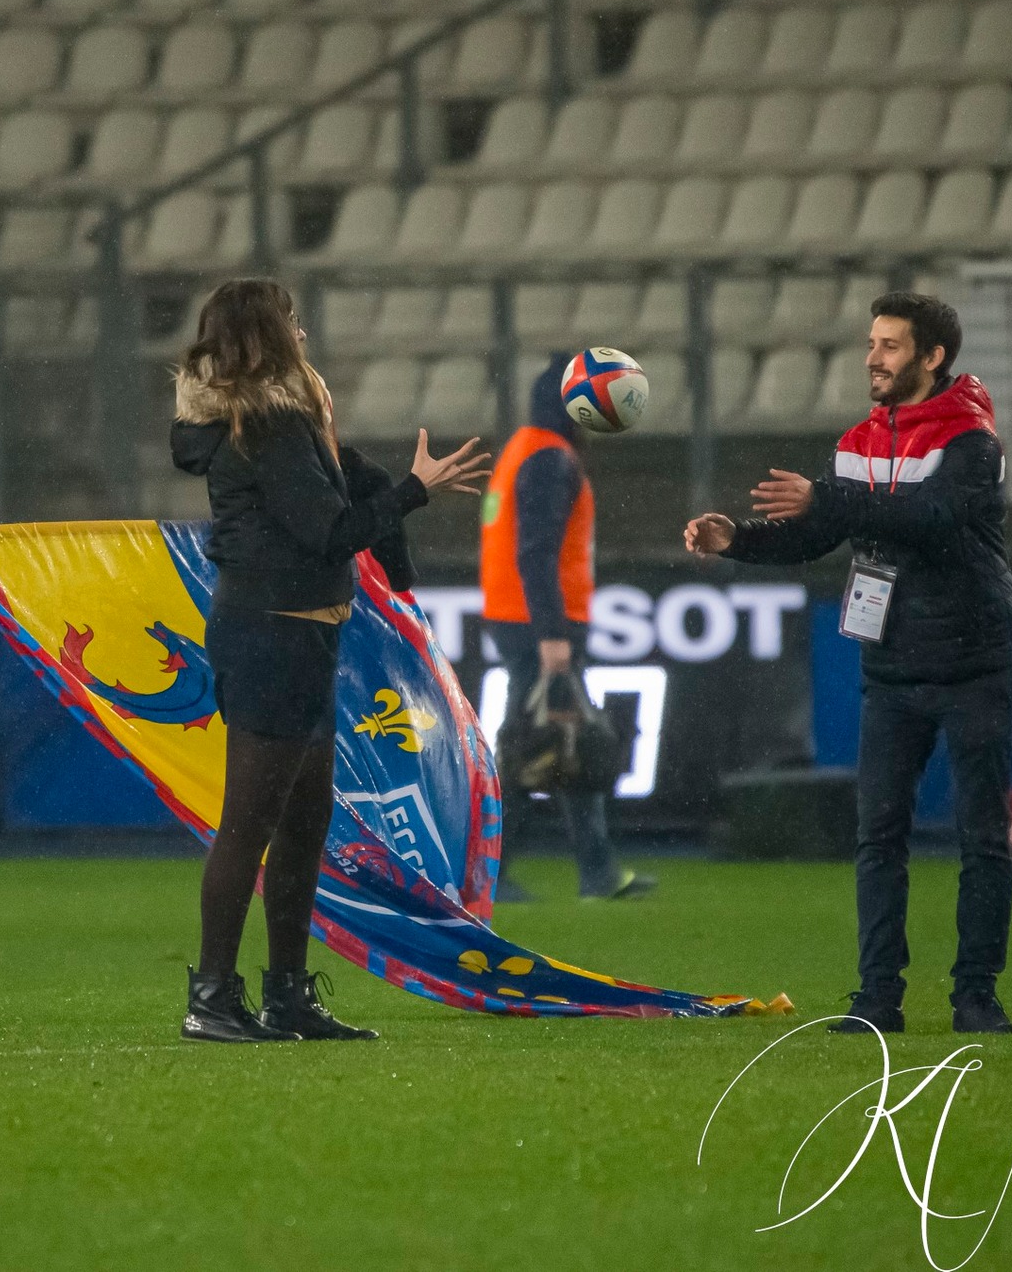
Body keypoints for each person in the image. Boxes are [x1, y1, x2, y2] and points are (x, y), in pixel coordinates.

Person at [683, 293, 1012, 1035]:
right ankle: (877, 998)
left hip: (973, 662)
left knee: (981, 836)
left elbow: (933, 518)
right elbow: (815, 534)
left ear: (932, 357)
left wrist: (830, 497)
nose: (873, 357)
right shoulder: (858, 443)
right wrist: (736, 539)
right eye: (872, 343)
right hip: (893, 665)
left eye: (890, 345)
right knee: (878, 839)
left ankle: (975, 995)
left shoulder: (972, 439)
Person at [170, 280, 491, 1043]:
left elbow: (338, 491)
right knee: (249, 826)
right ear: (270, 334)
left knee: (304, 822)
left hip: (293, 634)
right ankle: (212, 999)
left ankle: (286, 996)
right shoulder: (270, 426)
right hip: (273, 635)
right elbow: (330, 531)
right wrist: (415, 491)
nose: (303, 332)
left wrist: (390, 502)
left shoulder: (258, 420)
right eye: (292, 321)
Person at [481, 361, 655, 902]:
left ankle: (593, 870)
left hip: (517, 616)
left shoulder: (523, 449)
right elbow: (536, 555)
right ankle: (493, 876)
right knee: (531, 746)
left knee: (559, 739)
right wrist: (552, 635)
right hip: (538, 625)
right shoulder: (550, 460)